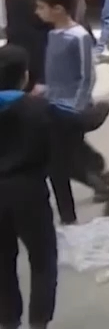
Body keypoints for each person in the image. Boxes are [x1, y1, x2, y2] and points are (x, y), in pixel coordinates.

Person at [33, 0, 109, 222]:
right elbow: (55, 71)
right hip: (53, 104)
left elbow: (87, 75)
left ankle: (75, 209)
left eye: (41, 8)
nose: (37, 12)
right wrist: (45, 89)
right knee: (66, 156)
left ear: (59, 9)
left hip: (70, 109)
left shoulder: (79, 36)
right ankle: (100, 180)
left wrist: (76, 104)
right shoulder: (53, 34)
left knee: (60, 160)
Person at [0, 45, 58, 329]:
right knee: (43, 260)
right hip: (30, 193)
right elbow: (84, 120)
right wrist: (107, 104)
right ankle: (38, 323)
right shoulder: (37, 107)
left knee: (2, 263)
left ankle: (9, 320)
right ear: (24, 77)